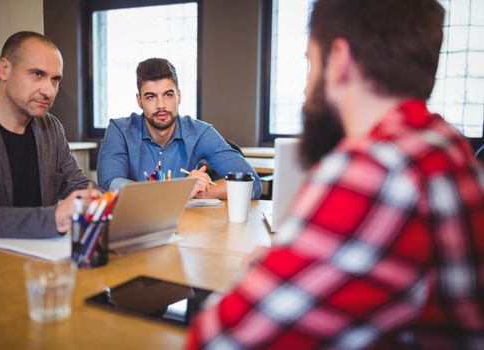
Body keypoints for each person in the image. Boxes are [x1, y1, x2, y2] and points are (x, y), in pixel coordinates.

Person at [187, 0, 484, 349]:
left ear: (340, 61)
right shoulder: (447, 147)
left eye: (310, 63)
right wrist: (290, 266)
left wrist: (262, 276)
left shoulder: (376, 170)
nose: (305, 87)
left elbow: (216, 340)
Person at [0, 31, 93, 240]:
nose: (48, 91)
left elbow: (78, 185)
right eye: (38, 74)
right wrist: (52, 218)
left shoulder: (52, 128)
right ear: (4, 70)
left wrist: (107, 202)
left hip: (40, 263)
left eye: (55, 80)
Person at [97, 58, 262, 199]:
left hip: (189, 229)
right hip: (135, 228)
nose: (161, 106)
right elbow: (109, 184)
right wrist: (179, 192)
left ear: (179, 96)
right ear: (139, 100)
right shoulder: (119, 130)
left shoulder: (200, 132)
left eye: (168, 95)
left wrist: (203, 191)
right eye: (150, 97)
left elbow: (252, 184)